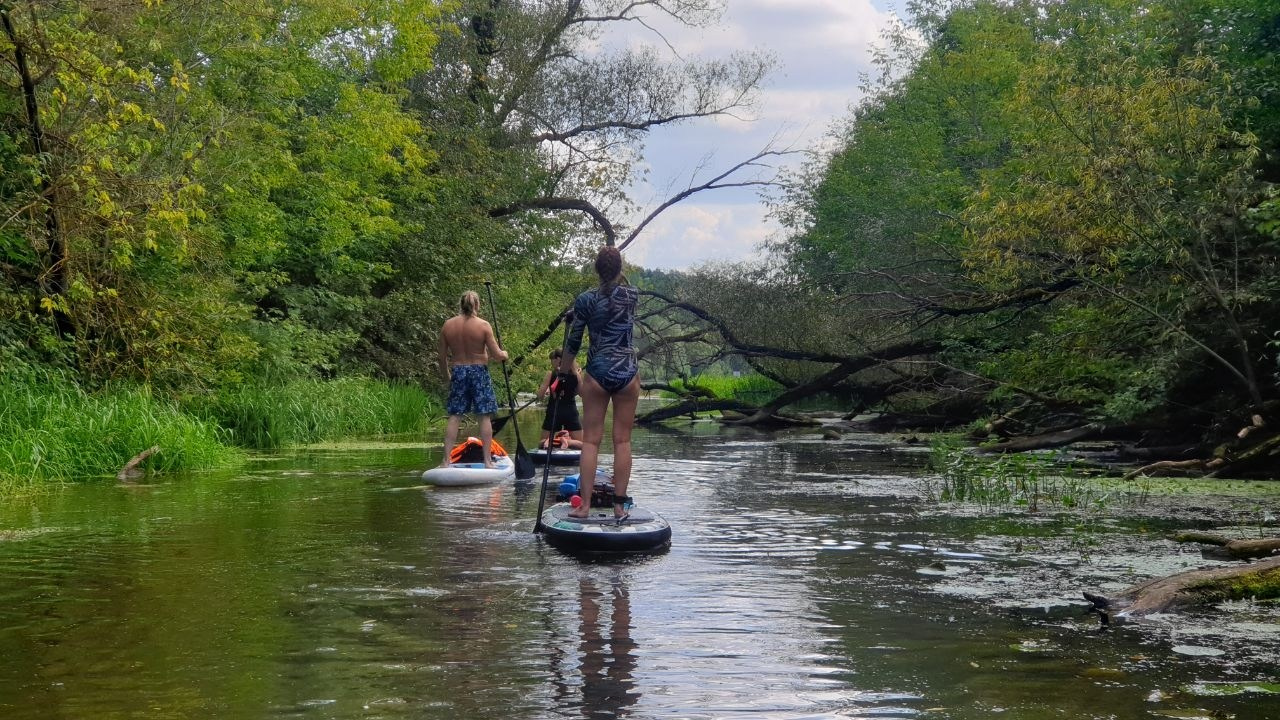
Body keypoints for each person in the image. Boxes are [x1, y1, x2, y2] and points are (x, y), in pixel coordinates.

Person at [561, 246, 639, 520]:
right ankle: (619, 506)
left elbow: (574, 341)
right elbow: (615, 296)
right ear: (620, 269)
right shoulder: (632, 295)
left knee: (591, 442)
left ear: (596, 269)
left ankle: (584, 507)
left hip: (598, 370)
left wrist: (563, 370)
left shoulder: (584, 300)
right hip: (627, 371)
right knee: (622, 440)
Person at [438, 290, 508, 468]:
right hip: (479, 372)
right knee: (483, 416)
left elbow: (442, 357)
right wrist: (504, 354)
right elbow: (496, 354)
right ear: (477, 305)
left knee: (455, 416)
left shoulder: (448, 325)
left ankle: (446, 461)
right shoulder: (484, 325)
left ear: (461, 305)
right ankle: (487, 461)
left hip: (458, 371)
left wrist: (447, 377)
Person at [537, 348, 584, 450]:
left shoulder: (550, 374)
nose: (551, 363)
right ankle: (567, 441)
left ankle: (550, 441)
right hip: (570, 411)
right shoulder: (576, 374)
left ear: (558, 359)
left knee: (541, 444)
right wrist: (579, 377)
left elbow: (540, 395)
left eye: (552, 360)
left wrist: (544, 392)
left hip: (553, 410)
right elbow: (581, 394)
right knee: (582, 445)